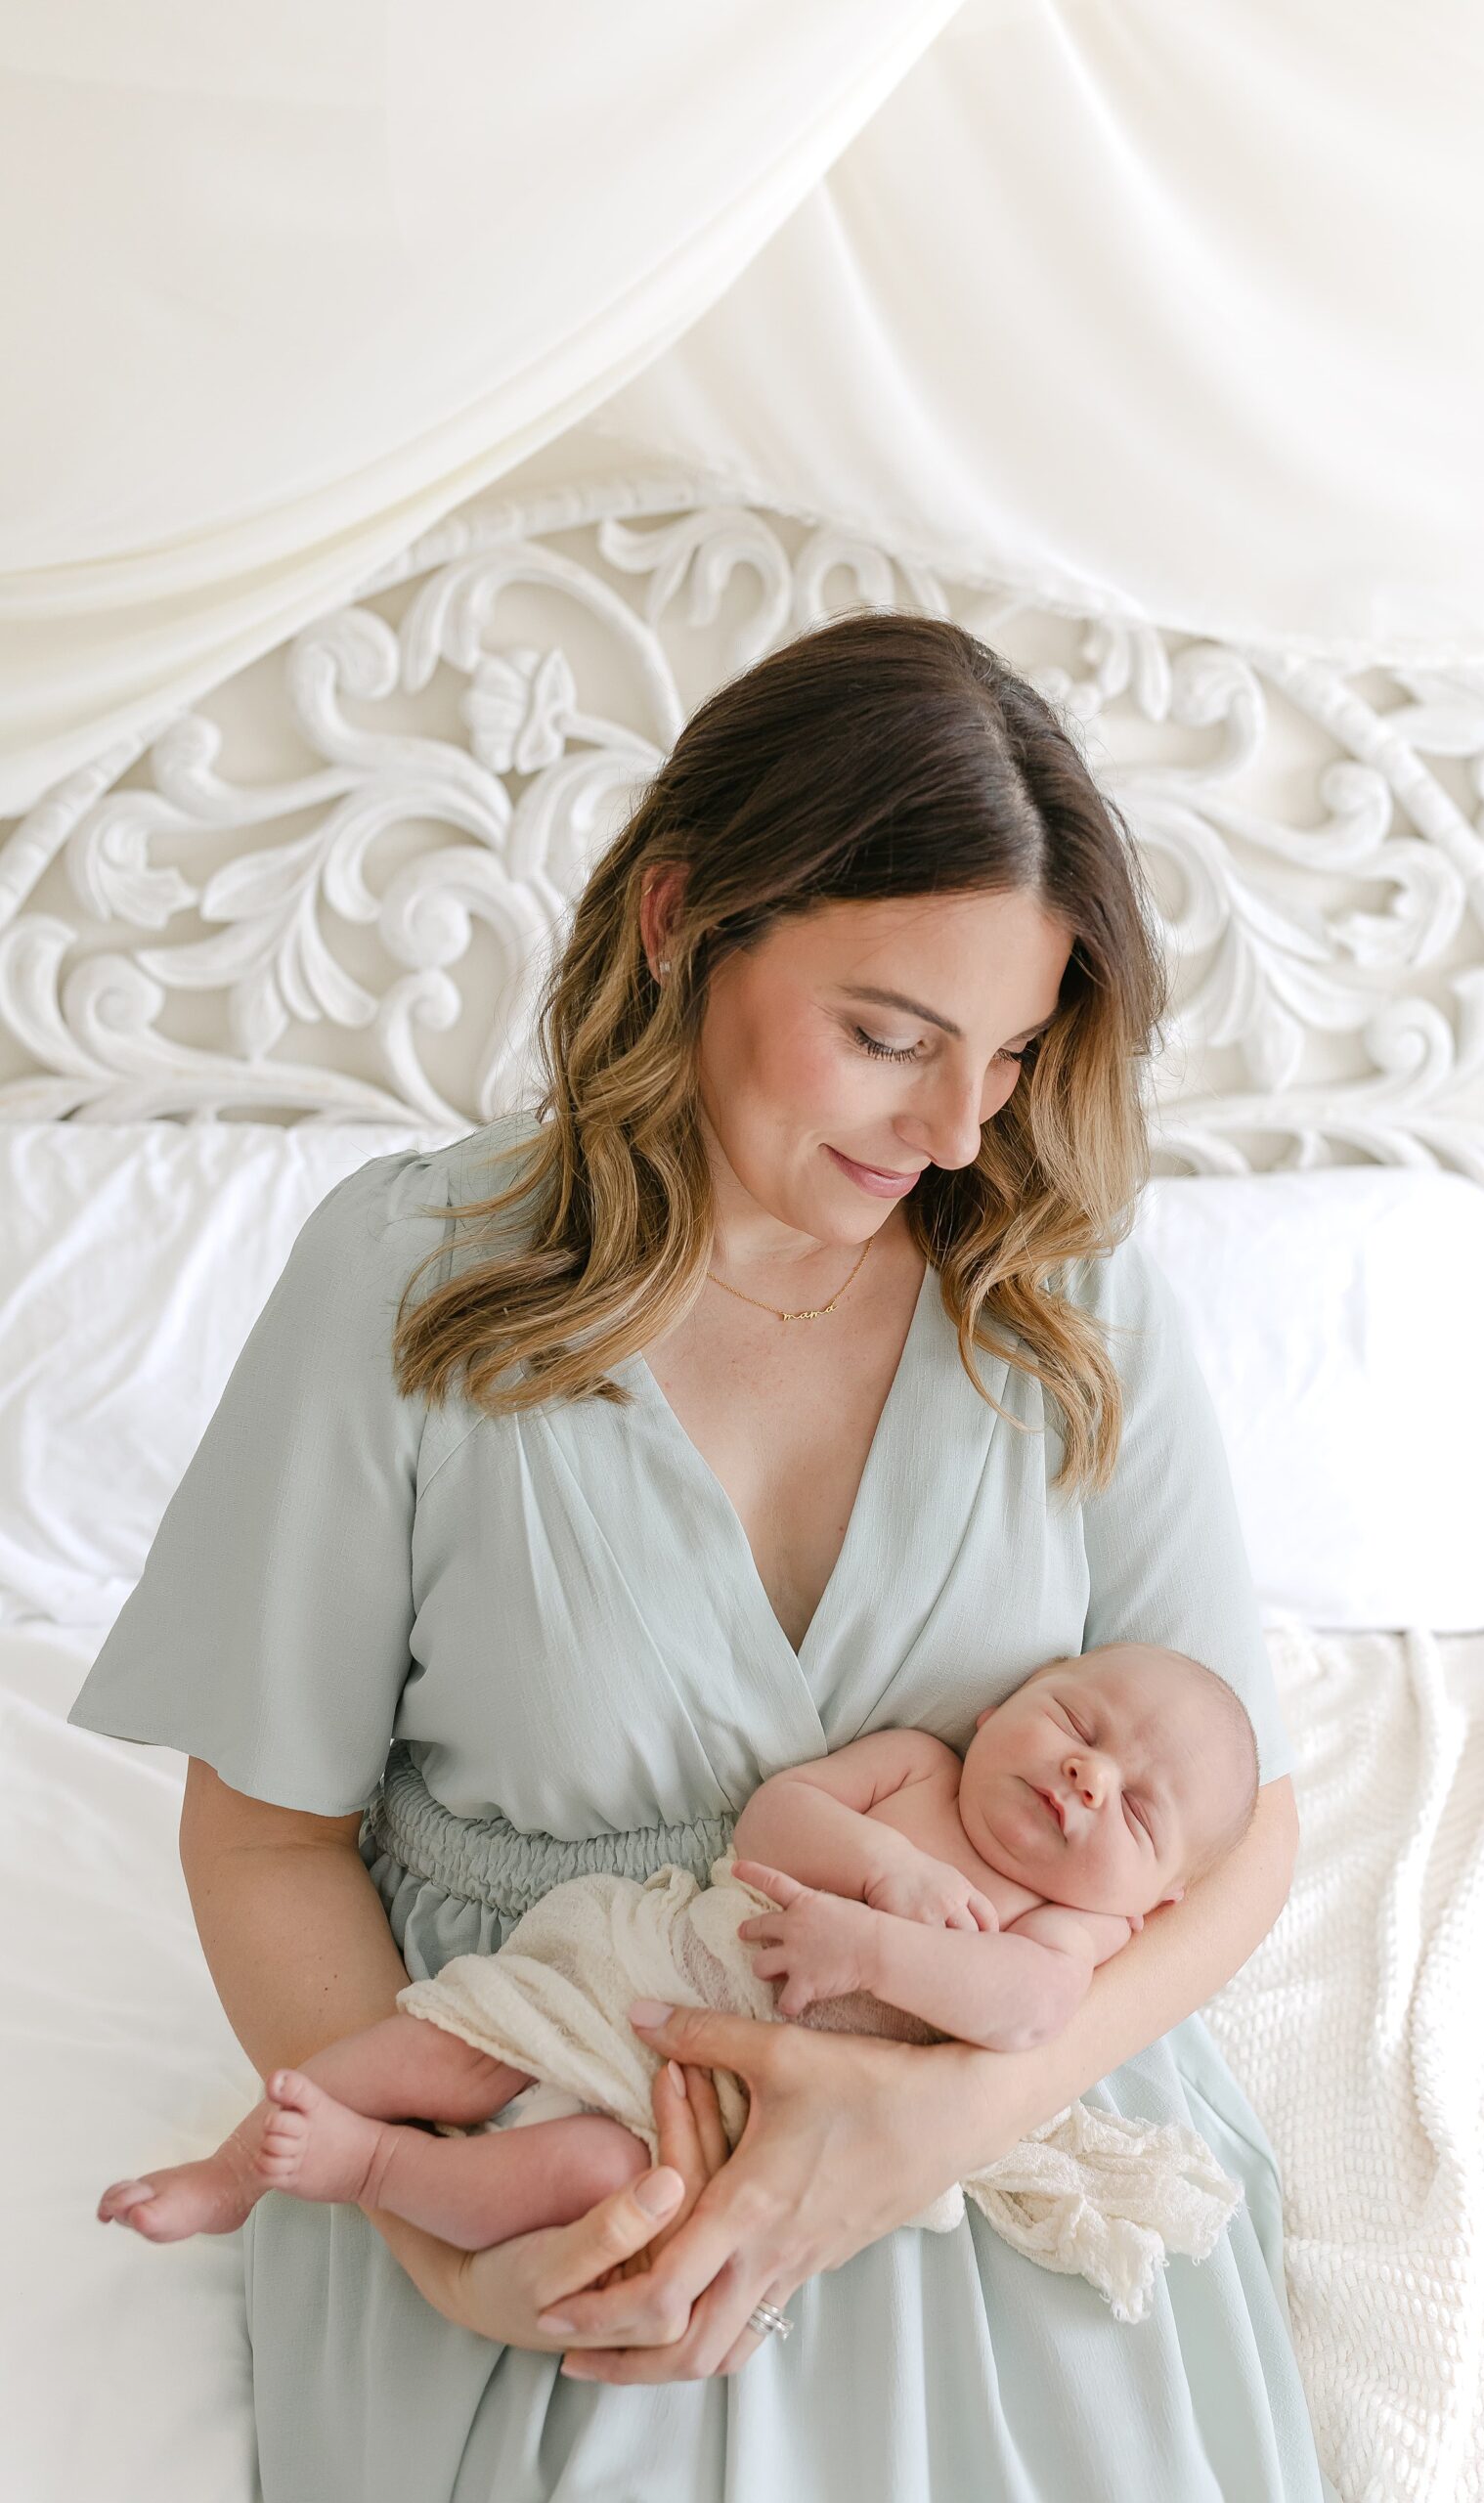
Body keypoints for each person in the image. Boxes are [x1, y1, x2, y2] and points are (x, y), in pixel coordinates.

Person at [67, 610, 1339, 2501]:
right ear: (677, 919)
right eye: (887, 1036)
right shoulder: (414, 1286)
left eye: (1005, 1052)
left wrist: (942, 2118)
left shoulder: (1060, 1298)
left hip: (1003, 2148)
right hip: (558, 2129)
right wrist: (438, 2230)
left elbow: (1245, 1841)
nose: (951, 1125)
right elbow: (264, 1834)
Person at [93, 1639, 1258, 2298]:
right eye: (1074, 1720)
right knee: (454, 2040)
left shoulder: (1067, 1927)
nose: (1090, 1775)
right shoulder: (914, 1772)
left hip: (711, 2116)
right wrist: (887, 1871)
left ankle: (375, 2166)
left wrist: (875, 1948)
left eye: (1139, 1807)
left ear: (1156, 1904)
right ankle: (234, 2168)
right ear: (1004, 1703)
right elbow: (774, 1825)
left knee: (593, 2181)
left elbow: (1030, 2012)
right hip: (638, 1971)